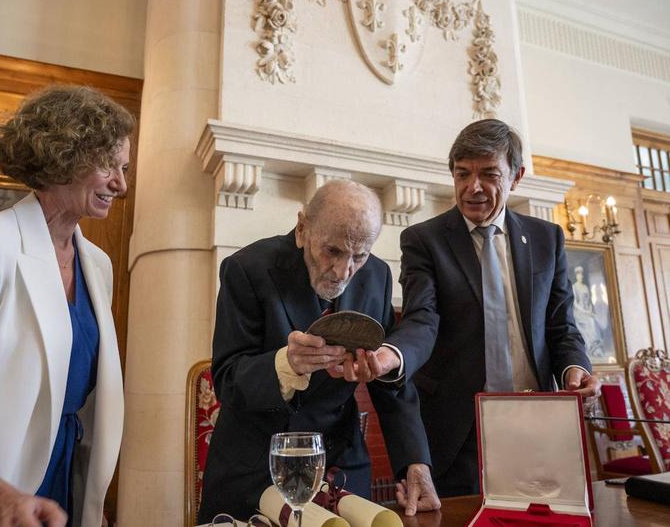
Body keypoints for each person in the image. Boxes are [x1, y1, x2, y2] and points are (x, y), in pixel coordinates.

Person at [0, 85, 132, 527]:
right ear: (64, 153)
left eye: (124, 168)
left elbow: (78, 405)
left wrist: (88, 500)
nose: (121, 184)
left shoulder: (98, 265)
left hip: (61, 491)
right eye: (110, 165)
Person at [197, 180, 440, 523]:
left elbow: (385, 379)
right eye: (333, 251)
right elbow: (227, 380)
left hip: (339, 462)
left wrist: (415, 462)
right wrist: (286, 364)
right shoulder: (247, 268)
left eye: (359, 256)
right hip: (256, 465)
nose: (344, 272)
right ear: (302, 230)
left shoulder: (377, 276)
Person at [387, 119, 601, 497]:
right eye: (462, 174)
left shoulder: (545, 238)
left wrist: (575, 369)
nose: (473, 188)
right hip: (459, 428)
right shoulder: (424, 240)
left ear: (516, 176)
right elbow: (423, 318)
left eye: (488, 174)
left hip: (536, 421)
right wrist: (394, 355)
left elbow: (560, 326)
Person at [571, 266, 604, 358]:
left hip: (586, 311)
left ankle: (595, 348)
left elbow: (589, 301)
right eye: (578, 274)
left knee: (594, 320)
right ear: (576, 276)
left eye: (581, 274)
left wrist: (589, 310)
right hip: (578, 312)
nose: (580, 276)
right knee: (589, 321)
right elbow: (575, 304)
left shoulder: (585, 287)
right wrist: (585, 311)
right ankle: (589, 348)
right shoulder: (574, 287)